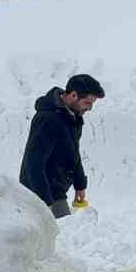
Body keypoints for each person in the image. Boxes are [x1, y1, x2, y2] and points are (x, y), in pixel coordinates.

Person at [19, 74, 104, 219]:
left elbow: (73, 153)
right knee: (59, 237)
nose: (90, 108)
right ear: (73, 95)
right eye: (87, 103)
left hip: (56, 191)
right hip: (39, 194)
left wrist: (80, 184)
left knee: (62, 235)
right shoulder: (47, 119)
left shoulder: (73, 117)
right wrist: (45, 202)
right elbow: (33, 163)